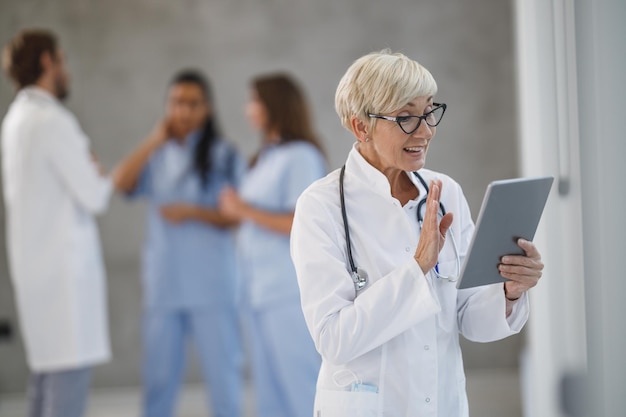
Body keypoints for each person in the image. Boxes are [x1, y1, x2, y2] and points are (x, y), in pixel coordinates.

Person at [290, 50, 544, 417]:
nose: (426, 130)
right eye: (406, 117)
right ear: (361, 126)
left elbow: (469, 317)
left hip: (442, 403)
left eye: (428, 111)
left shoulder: (446, 192)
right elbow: (334, 339)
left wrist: (509, 291)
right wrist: (417, 268)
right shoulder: (322, 207)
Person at [114, 70, 244, 417]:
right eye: (176, 103)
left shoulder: (224, 154)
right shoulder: (157, 154)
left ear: (208, 108)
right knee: (158, 379)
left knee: (223, 377)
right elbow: (122, 183)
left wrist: (192, 212)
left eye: (192, 104)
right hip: (165, 283)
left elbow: (238, 216)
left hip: (211, 285)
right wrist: (154, 139)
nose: (183, 111)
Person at [1, 29, 116, 417]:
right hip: (64, 284)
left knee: (44, 385)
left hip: (36, 277)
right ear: (48, 62)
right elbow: (96, 195)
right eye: (62, 59)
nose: (66, 69)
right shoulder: (52, 120)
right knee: (64, 390)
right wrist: (99, 172)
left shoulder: (15, 120)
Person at [218, 73, 326, 417]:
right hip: (255, 290)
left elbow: (302, 222)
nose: (249, 110)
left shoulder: (301, 156)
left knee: (300, 384)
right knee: (268, 392)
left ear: (273, 106)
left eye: (255, 102)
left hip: (286, 292)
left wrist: (243, 209)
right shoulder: (266, 156)